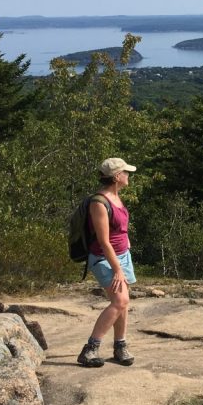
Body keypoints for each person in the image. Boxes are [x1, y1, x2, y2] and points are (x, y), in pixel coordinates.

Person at [77, 157, 138, 368]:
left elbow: (119, 229)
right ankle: (90, 349)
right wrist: (118, 269)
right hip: (105, 258)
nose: (128, 175)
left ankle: (120, 346)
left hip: (122, 255)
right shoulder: (99, 202)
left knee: (124, 302)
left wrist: (126, 246)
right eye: (126, 172)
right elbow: (103, 242)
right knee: (120, 301)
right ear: (116, 177)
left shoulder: (117, 198)